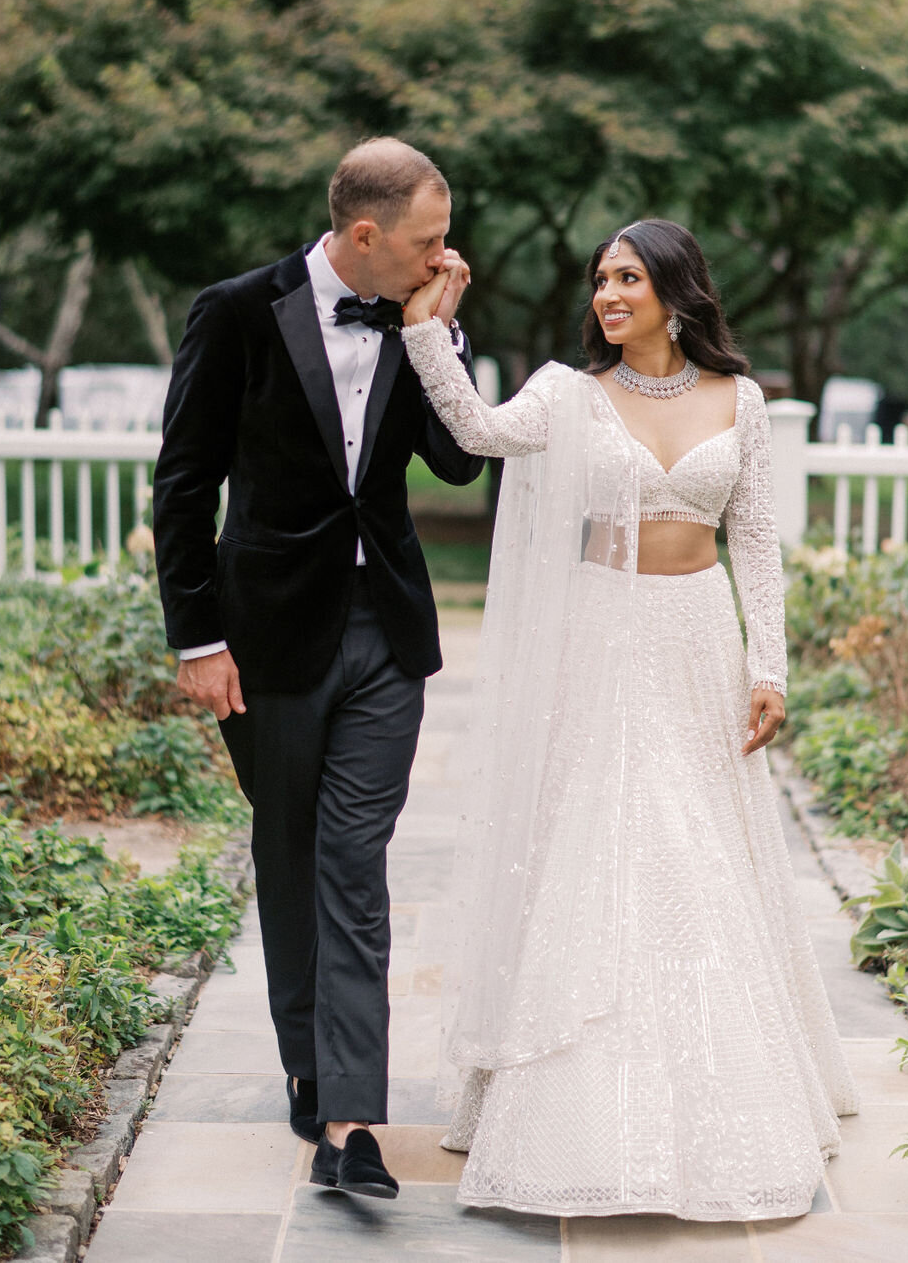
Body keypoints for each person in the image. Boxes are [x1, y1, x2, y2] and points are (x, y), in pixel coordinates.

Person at [399, 218, 859, 1221]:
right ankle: (563, 1091)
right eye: (600, 279)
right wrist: (429, 331)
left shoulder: (741, 403)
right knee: (608, 842)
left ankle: (740, 1083)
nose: (608, 295)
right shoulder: (568, 395)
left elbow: (758, 547)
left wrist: (768, 665)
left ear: (675, 292)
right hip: (600, 641)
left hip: (698, 640)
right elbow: (475, 434)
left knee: (704, 850)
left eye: (628, 279)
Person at [152, 138, 484, 1201]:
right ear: (364, 235)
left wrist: (442, 334)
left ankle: (349, 1119)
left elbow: (458, 460)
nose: (446, 255)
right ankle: (312, 1064)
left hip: (383, 628)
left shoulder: (419, 313)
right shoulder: (236, 311)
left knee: (353, 859)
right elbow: (184, 481)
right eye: (428, 242)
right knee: (289, 853)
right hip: (265, 639)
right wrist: (198, 640)